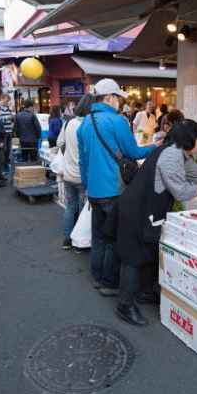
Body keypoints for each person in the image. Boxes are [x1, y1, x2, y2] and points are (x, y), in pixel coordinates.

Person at [115, 120, 197, 325]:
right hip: (138, 210)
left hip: (146, 209)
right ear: (189, 139)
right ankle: (125, 305)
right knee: (133, 258)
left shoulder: (177, 152)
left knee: (148, 252)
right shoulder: (171, 155)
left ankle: (144, 292)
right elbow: (181, 191)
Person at [77, 78, 156, 296]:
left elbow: (83, 161)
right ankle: (109, 282)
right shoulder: (117, 121)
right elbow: (134, 153)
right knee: (113, 238)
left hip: (93, 190)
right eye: (118, 98)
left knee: (99, 235)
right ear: (110, 98)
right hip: (113, 189)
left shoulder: (85, 123)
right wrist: (156, 146)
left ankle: (97, 275)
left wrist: (86, 186)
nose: (120, 102)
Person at [58, 95, 92, 250]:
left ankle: (67, 239)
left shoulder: (69, 123)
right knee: (81, 207)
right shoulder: (88, 125)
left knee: (70, 206)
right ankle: (78, 240)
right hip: (81, 175)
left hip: (68, 172)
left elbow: (60, 143)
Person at [0, 94, 15, 174]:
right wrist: (8, 117)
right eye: (6, 100)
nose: (7, 102)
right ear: (2, 99)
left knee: (8, 150)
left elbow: (13, 118)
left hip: (9, 132)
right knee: (3, 151)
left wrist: (12, 112)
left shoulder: (9, 108)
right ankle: (3, 167)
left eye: (8, 100)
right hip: (3, 133)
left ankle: (6, 165)